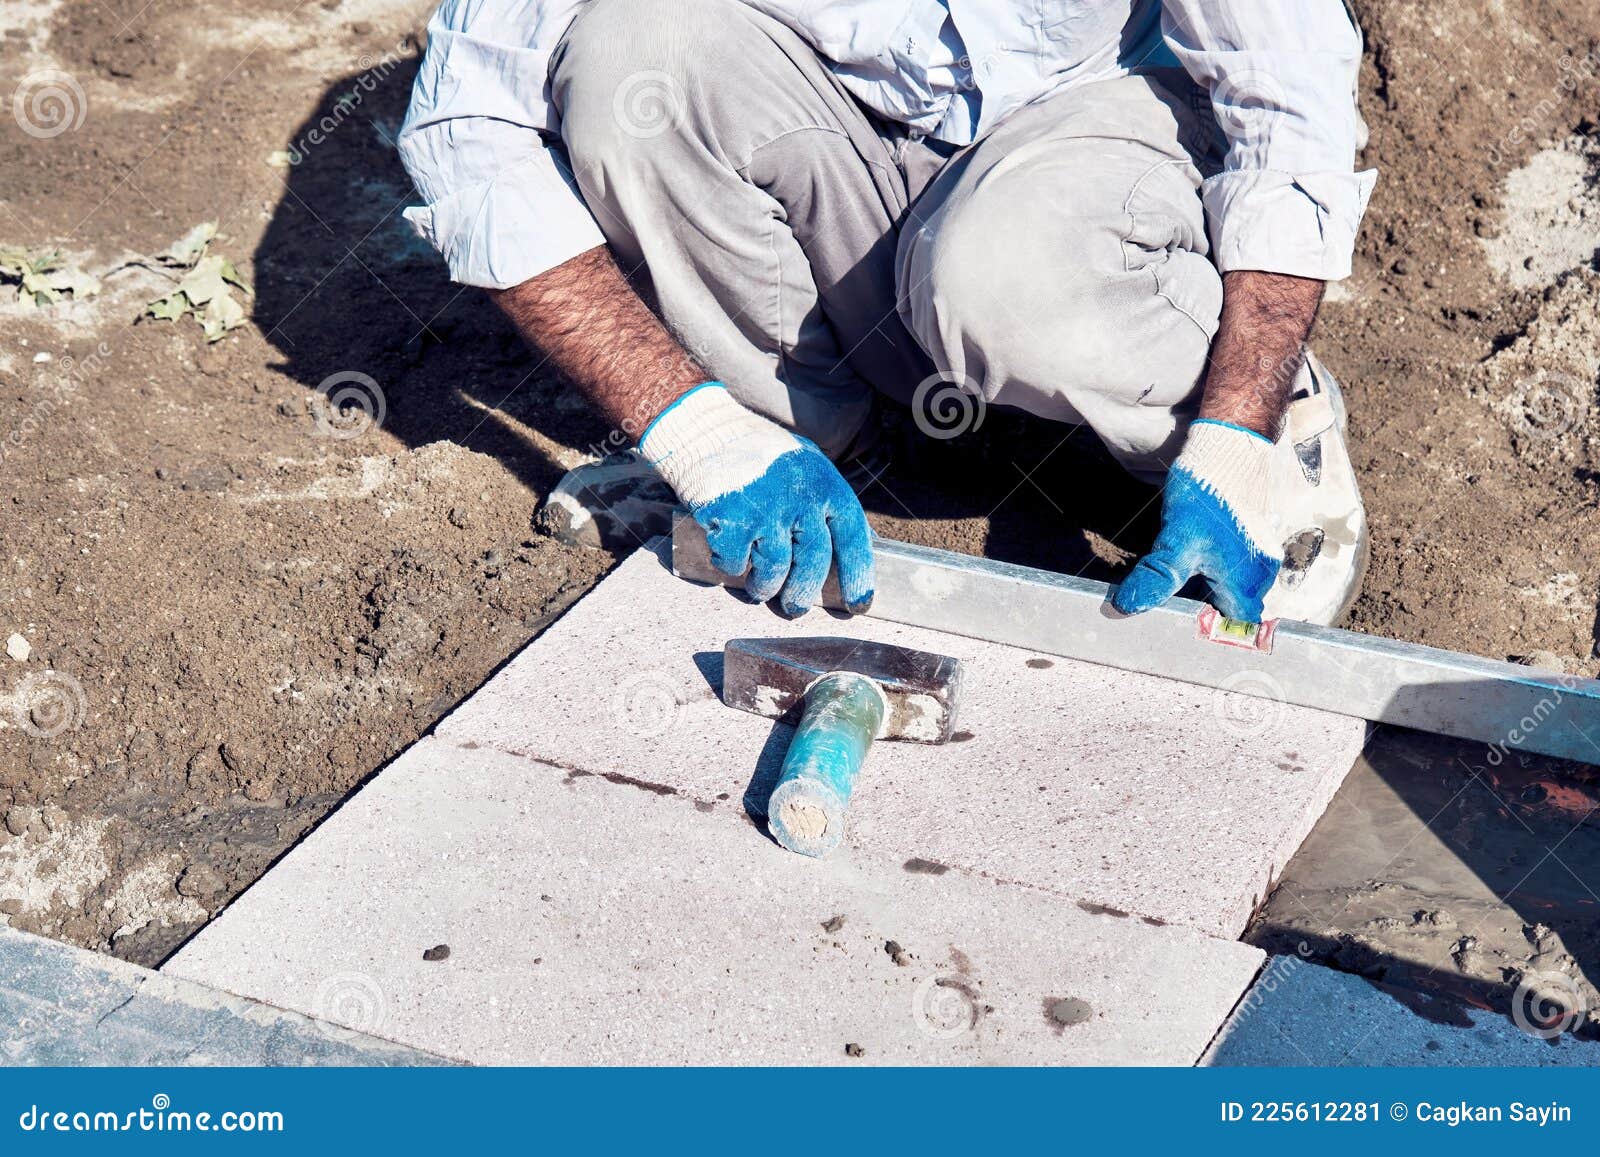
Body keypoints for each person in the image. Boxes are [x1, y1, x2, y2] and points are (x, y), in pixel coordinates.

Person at [397, 0, 1375, 623]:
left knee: (998, 264)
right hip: (852, 140)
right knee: (632, 63)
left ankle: (1263, 436)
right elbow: (463, 131)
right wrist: (688, 426)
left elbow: (1288, 101)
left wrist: (1241, 411)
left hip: (1097, 122)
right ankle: (806, 454)